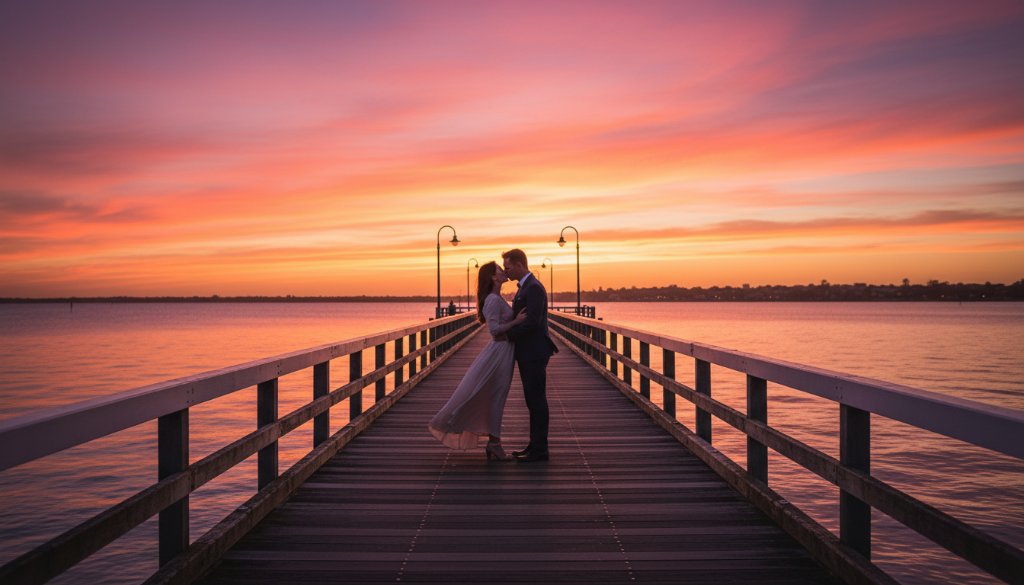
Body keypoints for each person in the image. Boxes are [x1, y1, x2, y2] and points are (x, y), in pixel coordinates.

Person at [429, 261, 526, 460]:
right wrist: (516, 321)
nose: (504, 271)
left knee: (496, 396)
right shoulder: (492, 300)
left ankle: (493, 442)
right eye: (500, 270)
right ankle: (494, 443)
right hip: (498, 353)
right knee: (496, 396)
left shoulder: (497, 298)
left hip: (504, 351)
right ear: (493, 277)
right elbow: (494, 330)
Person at [499, 248, 558, 462]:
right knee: (532, 401)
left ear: (518, 264)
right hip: (529, 351)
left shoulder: (533, 288)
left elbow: (532, 322)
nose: (506, 272)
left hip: (534, 351)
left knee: (537, 401)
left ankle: (540, 450)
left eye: (507, 267)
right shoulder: (527, 287)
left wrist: (508, 334)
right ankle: (534, 446)